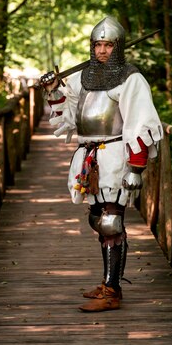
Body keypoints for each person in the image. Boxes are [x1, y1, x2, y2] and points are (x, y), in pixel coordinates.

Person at [39, 16, 162, 312]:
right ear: (92, 47)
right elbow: (70, 116)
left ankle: (113, 291)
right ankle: (108, 283)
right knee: (98, 219)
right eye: (98, 45)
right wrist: (54, 90)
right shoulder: (86, 78)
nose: (102, 50)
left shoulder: (131, 78)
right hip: (91, 158)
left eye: (108, 45)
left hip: (116, 156)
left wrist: (136, 168)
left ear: (118, 47)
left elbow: (141, 123)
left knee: (111, 221)